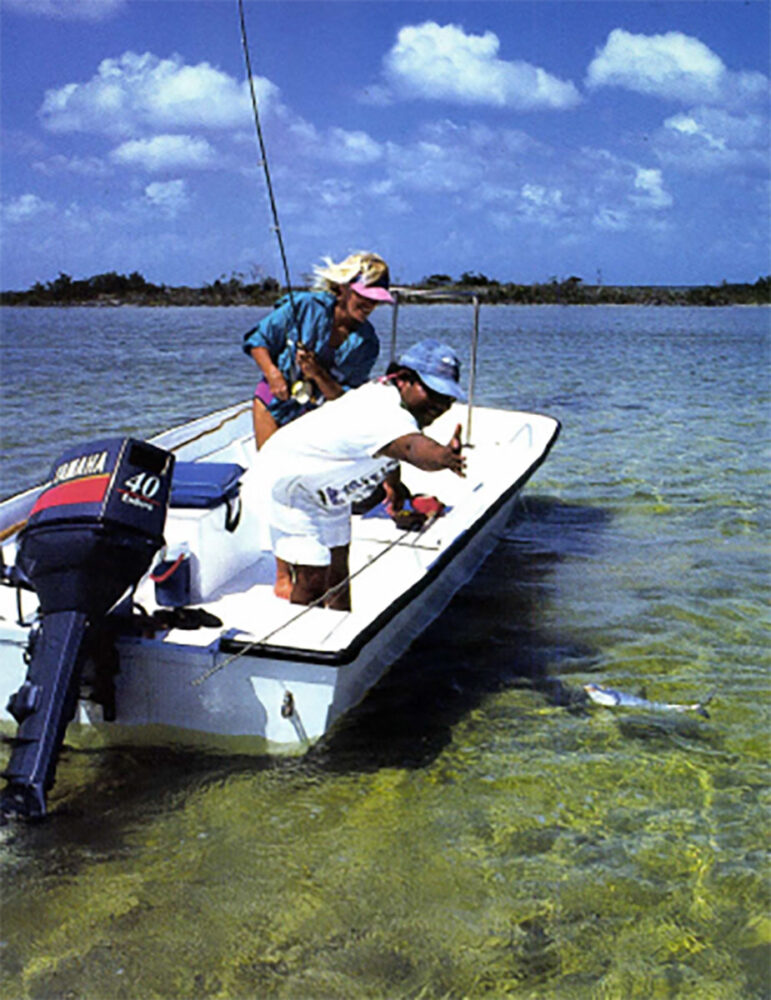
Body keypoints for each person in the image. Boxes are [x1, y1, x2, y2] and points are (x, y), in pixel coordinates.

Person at [257, 339, 467, 608]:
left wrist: (396, 485)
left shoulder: (391, 400)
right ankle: (304, 640)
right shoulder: (385, 410)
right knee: (313, 577)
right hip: (290, 482)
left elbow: (390, 448)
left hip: (327, 488)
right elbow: (411, 446)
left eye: (447, 397)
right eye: (433, 392)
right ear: (404, 379)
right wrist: (443, 457)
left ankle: (339, 626)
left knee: (338, 568)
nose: (441, 404)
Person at [243, 250, 393, 450]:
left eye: (376, 299)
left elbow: (345, 401)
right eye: (363, 295)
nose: (370, 304)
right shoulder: (305, 306)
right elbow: (258, 340)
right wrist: (272, 374)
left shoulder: (368, 344)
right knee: (272, 467)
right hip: (273, 403)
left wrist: (318, 374)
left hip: (318, 417)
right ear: (343, 288)